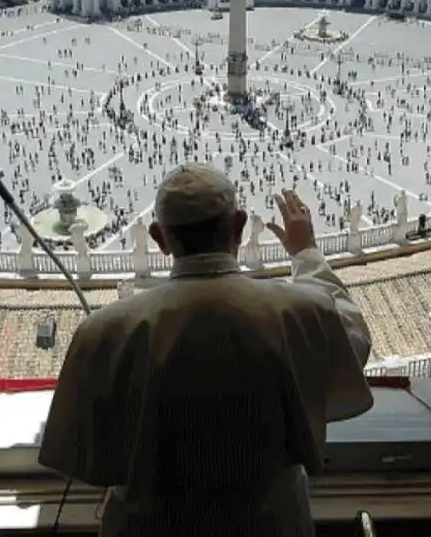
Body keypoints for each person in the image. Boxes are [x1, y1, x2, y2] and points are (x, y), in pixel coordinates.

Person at [39, 163, 373, 537]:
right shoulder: (300, 313)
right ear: (240, 226)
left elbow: (79, 455)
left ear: (158, 238)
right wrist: (307, 254)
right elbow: (354, 340)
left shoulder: (102, 331)